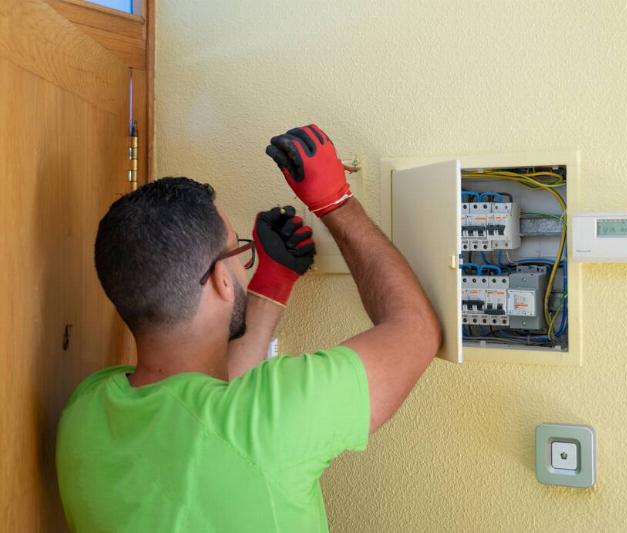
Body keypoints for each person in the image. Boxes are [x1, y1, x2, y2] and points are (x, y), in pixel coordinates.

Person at [56, 124, 442, 532]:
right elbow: (416, 331)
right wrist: (336, 202)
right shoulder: (268, 425)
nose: (245, 261)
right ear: (222, 281)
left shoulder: (87, 410)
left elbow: (214, 406)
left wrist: (270, 287)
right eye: (240, 248)